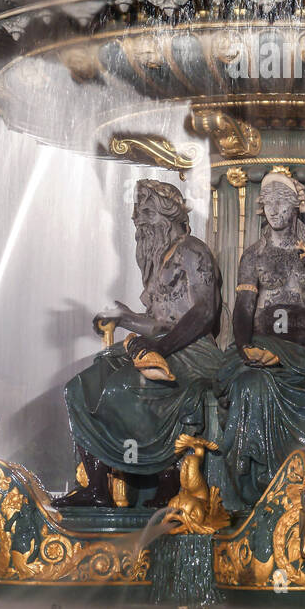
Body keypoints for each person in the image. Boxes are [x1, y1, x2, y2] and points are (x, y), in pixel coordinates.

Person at [58, 180, 222, 508]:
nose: (138, 221)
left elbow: (204, 313)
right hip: (159, 344)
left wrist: (160, 348)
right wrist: (125, 317)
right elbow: (160, 322)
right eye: (137, 214)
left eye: (146, 212)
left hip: (192, 350)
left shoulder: (192, 250)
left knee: (125, 386)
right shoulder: (157, 262)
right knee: (79, 386)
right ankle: (97, 485)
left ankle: (167, 477)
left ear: (170, 215)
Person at [217, 171, 305, 507]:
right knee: (251, 387)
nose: (274, 210)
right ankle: (262, 480)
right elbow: (243, 308)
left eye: (282, 203)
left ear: (296, 207)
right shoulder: (254, 255)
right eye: (268, 204)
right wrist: (243, 346)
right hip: (264, 344)